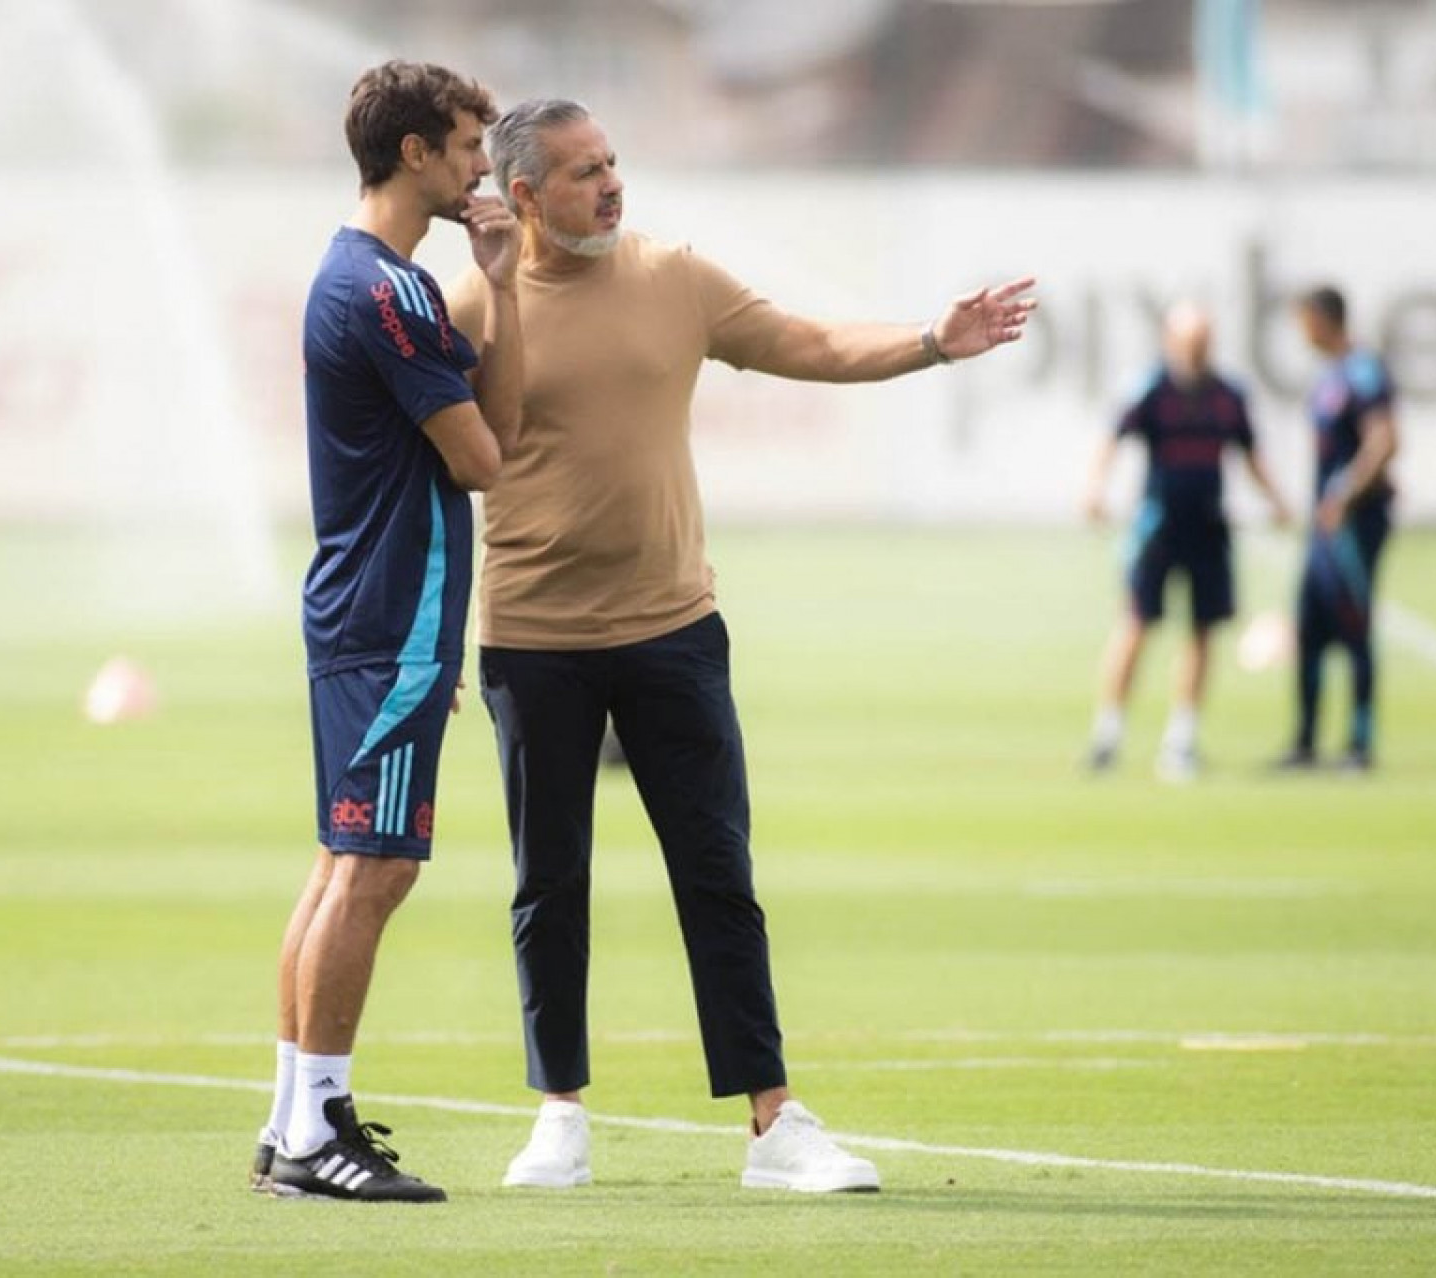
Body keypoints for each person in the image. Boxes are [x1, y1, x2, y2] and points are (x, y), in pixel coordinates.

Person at [444, 98, 1036, 1195]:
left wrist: (930, 343)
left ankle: (773, 1124)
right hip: (532, 638)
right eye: (581, 172)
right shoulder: (477, 300)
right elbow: (479, 446)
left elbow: (805, 343)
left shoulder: (675, 276)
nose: (611, 183)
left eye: (613, 162)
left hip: (674, 627)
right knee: (549, 882)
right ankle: (558, 1113)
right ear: (523, 195)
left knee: (719, 876)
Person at [252, 60, 523, 1204]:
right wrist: (498, 282)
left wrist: (493, 279)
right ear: (414, 153)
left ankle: (290, 1123)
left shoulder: (362, 275)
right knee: (373, 872)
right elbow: (484, 457)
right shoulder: (391, 291)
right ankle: (317, 1131)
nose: (480, 167)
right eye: (468, 145)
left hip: (362, 611)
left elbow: (473, 439)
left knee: (337, 867)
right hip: (390, 611)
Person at [1082, 302, 1290, 780]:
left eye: (1205, 342)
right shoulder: (1152, 389)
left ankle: (1181, 740)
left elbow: (1249, 453)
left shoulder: (1227, 395)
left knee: (1201, 631)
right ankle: (1108, 734)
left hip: (1209, 527)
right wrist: (1095, 488)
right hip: (1159, 527)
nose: (1198, 351)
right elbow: (1112, 440)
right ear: (1171, 341)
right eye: (1191, 341)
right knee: (1136, 625)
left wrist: (1275, 500)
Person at [1277, 285, 1400, 771]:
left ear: (1322, 319)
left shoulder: (1362, 371)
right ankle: (1305, 741)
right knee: (1309, 627)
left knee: (1354, 626)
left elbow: (1385, 440)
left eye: (1303, 320)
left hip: (1354, 522)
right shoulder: (1331, 374)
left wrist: (1345, 494)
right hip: (1325, 524)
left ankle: (1359, 743)